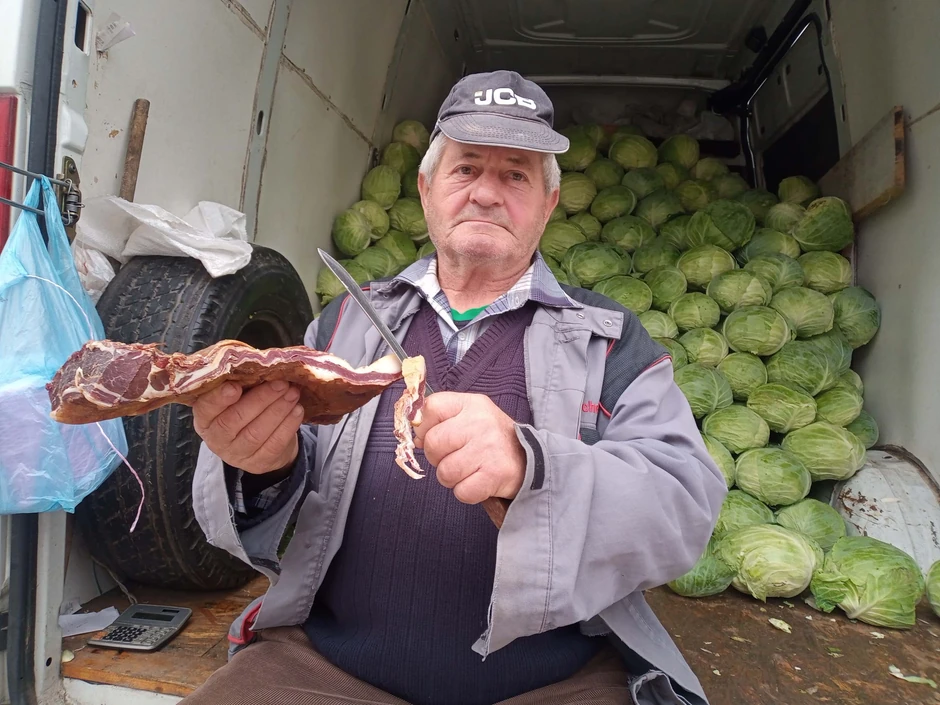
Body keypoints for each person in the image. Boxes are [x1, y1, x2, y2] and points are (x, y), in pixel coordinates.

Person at [183, 70, 727, 705]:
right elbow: (285, 484)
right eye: (466, 169)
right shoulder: (344, 324)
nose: (487, 195)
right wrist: (261, 466)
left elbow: (684, 505)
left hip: (554, 681)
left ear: (548, 205)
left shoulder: (608, 341)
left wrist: (534, 465)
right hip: (329, 669)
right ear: (426, 189)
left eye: (516, 175)